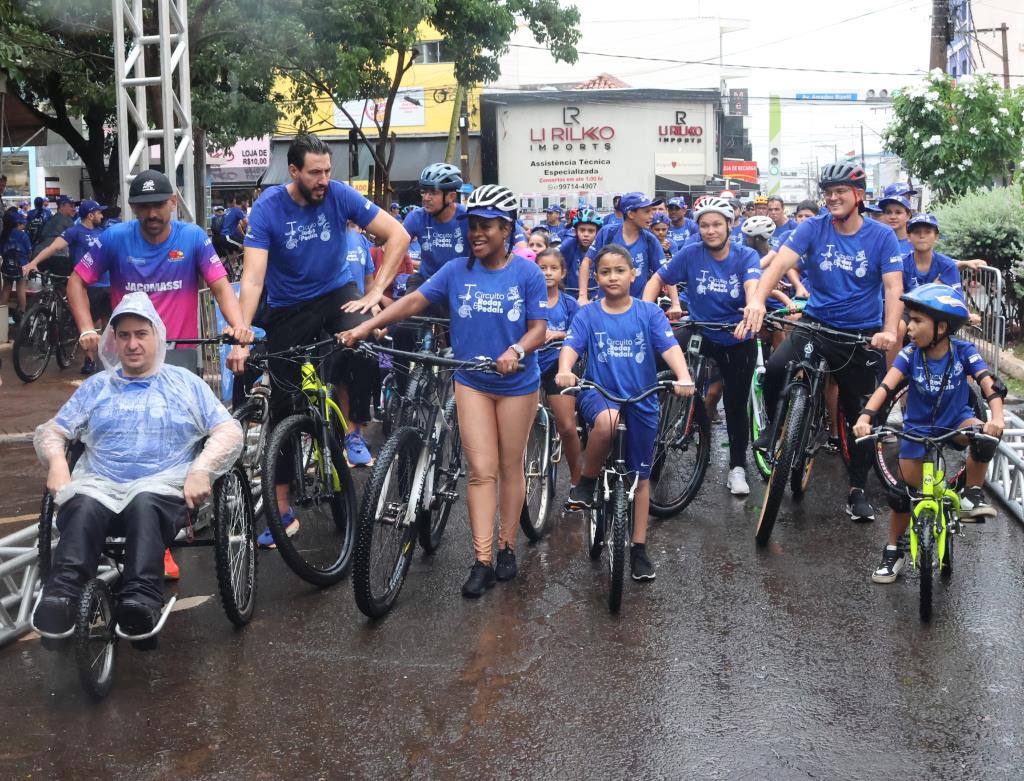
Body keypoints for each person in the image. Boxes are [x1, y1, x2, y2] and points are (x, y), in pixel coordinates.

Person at [338, 184, 546, 598]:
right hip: (470, 380)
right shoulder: (455, 271)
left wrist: (516, 349)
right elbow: (414, 300)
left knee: (509, 466)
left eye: (487, 226)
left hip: (518, 383)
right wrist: (366, 326)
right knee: (481, 471)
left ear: (507, 230)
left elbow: (538, 328)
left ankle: (507, 547)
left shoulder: (528, 273)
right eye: (473, 226)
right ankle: (482, 559)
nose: (477, 233)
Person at [227, 134, 409, 547]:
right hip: (288, 308)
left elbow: (397, 236)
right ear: (293, 171)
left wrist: (375, 294)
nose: (324, 179)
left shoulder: (340, 195)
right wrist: (243, 330)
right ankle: (283, 510)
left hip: (335, 295)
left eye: (327, 170)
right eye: (315, 172)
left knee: (364, 346)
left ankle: (353, 430)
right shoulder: (270, 208)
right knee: (285, 406)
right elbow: (253, 278)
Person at [30, 293, 243, 643]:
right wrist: (56, 463)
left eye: (140, 334)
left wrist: (202, 469)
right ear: (113, 340)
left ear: (156, 336)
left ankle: (141, 601)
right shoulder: (97, 387)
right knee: (81, 506)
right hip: (99, 484)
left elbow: (227, 430)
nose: (132, 344)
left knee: (145, 503)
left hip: (161, 487)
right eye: (124, 335)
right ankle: (61, 597)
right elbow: (53, 431)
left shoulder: (185, 384)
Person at [738, 162, 904, 522]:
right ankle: (773, 429)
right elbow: (778, 266)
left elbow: (893, 288)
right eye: (828, 192)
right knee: (778, 366)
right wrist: (755, 301)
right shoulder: (812, 227)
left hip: (860, 332)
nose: (832, 197)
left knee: (858, 414)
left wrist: (889, 330)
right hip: (817, 322)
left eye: (840, 191)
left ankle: (856, 489)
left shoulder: (881, 236)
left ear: (858, 196)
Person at [852, 283, 1004, 583]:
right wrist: (866, 416)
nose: (908, 326)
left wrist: (996, 417)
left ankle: (972, 494)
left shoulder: (963, 351)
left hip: (956, 423)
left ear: (942, 326)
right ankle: (893, 551)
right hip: (917, 429)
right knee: (902, 496)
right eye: (909, 319)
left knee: (982, 437)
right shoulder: (909, 355)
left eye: (917, 321)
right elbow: (886, 386)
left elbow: (990, 384)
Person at [560, 244, 693, 580]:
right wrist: (565, 369)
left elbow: (670, 347)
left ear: (634, 274)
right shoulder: (588, 314)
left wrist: (684, 376)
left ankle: (639, 547)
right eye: (605, 272)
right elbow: (571, 347)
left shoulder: (648, 313)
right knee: (606, 423)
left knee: (641, 477)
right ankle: (588, 481)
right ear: (596, 278)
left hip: (643, 398)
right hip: (599, 394)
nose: (612, 277)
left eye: (620, 270)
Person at [643, 197, 762, 495]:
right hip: (701, 329)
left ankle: (736, 467)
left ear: (729, 226)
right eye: (705, 225)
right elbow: (658, 278)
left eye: (717, 225)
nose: (710, 231)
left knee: (735, 404)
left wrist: (750, 311)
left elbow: (752, 287)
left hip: (736, 336)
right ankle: (651, 433)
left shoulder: (746, 255)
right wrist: (643, 312)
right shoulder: (690, 253)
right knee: (652, 364)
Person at [25, 199, 111, 373]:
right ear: (91, 215)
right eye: (99, 212)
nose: (102, 216)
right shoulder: (74, 232)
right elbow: (54, 247)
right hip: (88, 285)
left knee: (108, 323)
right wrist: (33, 263)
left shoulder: (104, 232)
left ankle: (107, 359)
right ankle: (90, 360)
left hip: (108, 283)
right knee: (90, 324)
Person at [535, 247, 582, 490]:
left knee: (566, 425)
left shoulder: (569, 303)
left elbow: (580, 333)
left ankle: (577, 479)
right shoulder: (526, 298)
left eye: (553, 268)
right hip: (529, 364)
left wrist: (558, 333)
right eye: (542, 268)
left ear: (563, 273)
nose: (547, 273)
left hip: (557, 365)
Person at [577, 192, 664, 305]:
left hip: (636, 309)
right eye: (647, 211)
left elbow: (665, 272)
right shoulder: (607, 233)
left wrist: (675, 304)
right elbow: (586, 262)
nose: (652, 215)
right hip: (605, 306)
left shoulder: (650, 240)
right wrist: (582, 296)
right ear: (631, 214)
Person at [401, 162, 466, 290]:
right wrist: (376, 292)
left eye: (433, 192)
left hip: (460, 283)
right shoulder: (416, 217)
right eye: (424, 192)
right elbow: (393, 249)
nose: (426, 198)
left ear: (451, 196)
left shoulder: (468, 217)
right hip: (426, 281)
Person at [559, 208, 602, 297]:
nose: (586, 234)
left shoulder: (602, 248)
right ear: (575, 231)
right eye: (582, 230)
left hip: (596, 297)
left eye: (591, 231)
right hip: (570, 296)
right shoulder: (569, 246)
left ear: (597, 232)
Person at [31, 195, 76, 274]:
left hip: (39, 256)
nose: (74, 209)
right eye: (71, 206)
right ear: (62, 206)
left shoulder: (51, 218)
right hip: (57, 258)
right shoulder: (67, 221)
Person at [1, 211, 32, 319]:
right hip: (21, 267)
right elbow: (29, 251)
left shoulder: (3, 235)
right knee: (21, 289)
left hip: (6, 266)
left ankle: (2, 315)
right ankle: (22, 314)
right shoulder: (22, 235)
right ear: (17, 223)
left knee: (6, 289)